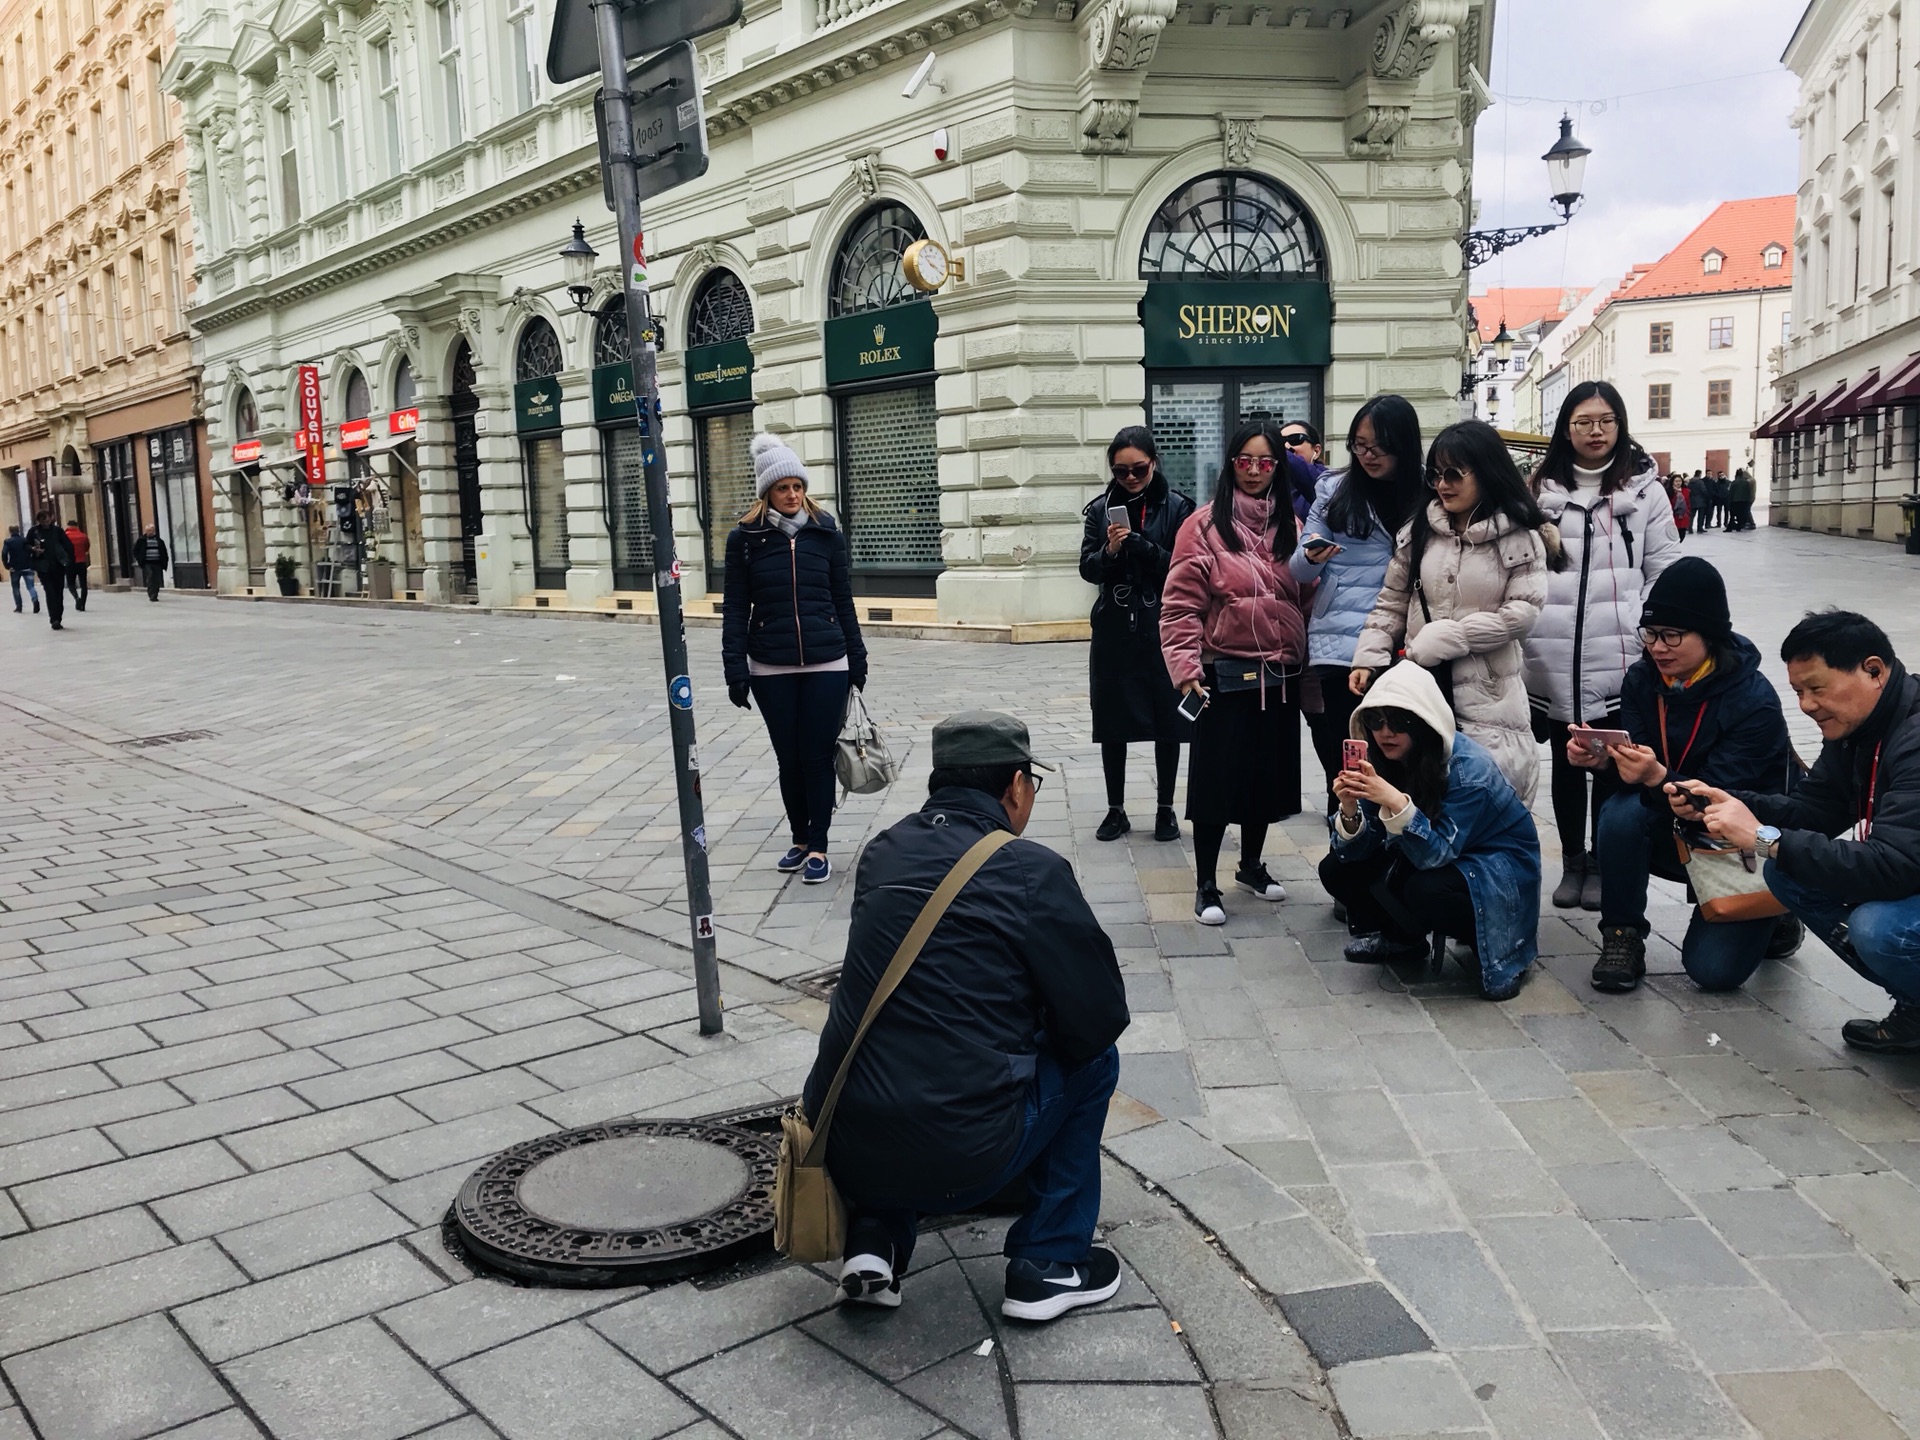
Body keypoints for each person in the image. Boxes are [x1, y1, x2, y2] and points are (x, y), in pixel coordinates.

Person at [804, 711, 1130, 1317]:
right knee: (1094, 1061)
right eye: (1032, 781)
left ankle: (874, 1238)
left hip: (847, 1138)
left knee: (895, 1034)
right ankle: (1049, 1260)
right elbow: (1097, 1015)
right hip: (965, 1154)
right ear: (1014, 786)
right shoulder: (1032, 871)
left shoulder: (884, 851)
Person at [1676, 612, 1920, 1052]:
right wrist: (1727, 800)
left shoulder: (1914, 738)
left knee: (1878, 929)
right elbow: (1816, 808)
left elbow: (1895, 866)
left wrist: (1762, 839)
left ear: (1873, 671)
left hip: (1904, 869)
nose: (1806, 705)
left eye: (1817, 689)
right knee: (1787, 874)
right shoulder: (1860, 726)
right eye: (1798, 692)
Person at [1574, 558, 1801, 993]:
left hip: (1734, 836)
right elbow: (1634, 775)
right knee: (1619, 814)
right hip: (1668, 816)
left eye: (1672, 635)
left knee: (1712, 973)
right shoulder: (1642, 679)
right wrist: (1603, 761)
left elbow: (1725, 799)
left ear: (1710, 636)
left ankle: (1779, 911)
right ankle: (1622, 936)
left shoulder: (1754, 701)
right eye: (1651, 634)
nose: (1658, 647)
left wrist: (1658, 776)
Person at [1524, 381, 1682, 911]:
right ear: (1565, 429)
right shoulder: (1539, 489)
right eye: (1583, 422)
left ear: (1620, 424)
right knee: (1568, 765)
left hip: (1619, 654)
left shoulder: (1644, 492)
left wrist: (1645, 630)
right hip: (1551, 652)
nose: (1595, 431)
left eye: (1606, 420)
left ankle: (1602, 856)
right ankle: (1574, 861)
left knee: (1613, 763)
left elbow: (1663, 569)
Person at [1351, 418, 1555, 805]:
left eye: (1454, 474)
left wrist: (1454, 637)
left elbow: (1524, 611)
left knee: (1487, 799)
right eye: (1436, 475)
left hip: (1489, 693)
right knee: (1420, 797)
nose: (1443, 485)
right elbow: (1393, 599)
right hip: (1421, 686)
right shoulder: (1421, 531)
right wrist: (1369, 657)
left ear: (1486, 472)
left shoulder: (1519, 536)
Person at [1162, 420, 1313, 924]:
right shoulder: (1202, 526)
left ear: (1278, 468)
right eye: (1244, 461)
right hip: (1222, 673)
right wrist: (1185, 670)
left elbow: (1307, 598)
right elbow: (1180, 606)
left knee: (1264, 776)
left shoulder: (1294, 526)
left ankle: (1251, 865)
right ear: (1231, 464)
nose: (1254, 471)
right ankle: (1206, 881)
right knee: (1214, 780)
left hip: (1280, 674)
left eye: (1265, 462)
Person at [1320, 663, 1541, 1000]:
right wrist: (1349, 810)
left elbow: (1435, 854)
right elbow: (1353, 853)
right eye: (1375, 721)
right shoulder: (1382, 759)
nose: (1385, 732)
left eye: (1398, 721)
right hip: (1435, 855)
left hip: (1494, 865)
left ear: (1424, 722)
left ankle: (1501, 951)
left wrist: (1395, 801)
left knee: (1426, 889)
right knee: (1336, 869)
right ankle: (1402, 939)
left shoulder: (1469, 768)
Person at [721, 434, 868, 886]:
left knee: (818, 757)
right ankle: (800, 838)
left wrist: (857, 656)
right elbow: (735, 606)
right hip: (771, 666)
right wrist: (735, 668)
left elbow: (843, 600)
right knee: (789, 759)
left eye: (797, 486)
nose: (791, 495)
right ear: (766, 492)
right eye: (782, 488)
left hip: (827, 662)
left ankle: (820, 846)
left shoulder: (827, 534)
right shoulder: (745, 539)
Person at [1291, 394, 1424, 811]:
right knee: (1347, 761)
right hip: (1341, 644)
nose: (1367, 455)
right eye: (1359, 445)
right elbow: (1299, 569)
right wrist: (1310, 556)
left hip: (1404, 645)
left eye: (1378, 447)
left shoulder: (1429, 492)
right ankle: (1346, 846)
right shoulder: (1333, 490)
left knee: (1400, 763)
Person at [1080, 426, 1196, 843]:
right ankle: (1116, 809)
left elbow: (1184, 566)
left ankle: (1166, 809)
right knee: (1113, 720)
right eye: (1120, 471)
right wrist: (1110, 551)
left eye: (1138, 469)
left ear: (1154, 462)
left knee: (1169, 719)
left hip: (1165, 625)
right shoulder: (1099, 509)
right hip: (1114, 625)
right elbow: (1087, 568)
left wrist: (1140, 545)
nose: (1129, 478)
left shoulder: (1180, 507)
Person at [25, 510, 72, 631]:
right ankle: (54, 619)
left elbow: (67, 545)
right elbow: (25, 545)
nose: (45, 521)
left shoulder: (57, 531)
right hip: (43, 567)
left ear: (51, 518)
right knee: (49, 592)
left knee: (58, 592)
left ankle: (58, 617)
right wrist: (33, 549)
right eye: (42, 519)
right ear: (39, 520)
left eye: (47, 518)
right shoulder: (34, 531)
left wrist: (69, 561)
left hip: (58, 565)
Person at [1278, 420, 1328, 523]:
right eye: (1281, 442)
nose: (1287, 446)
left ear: (1316, 450)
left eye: (1296, 440)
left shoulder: (1326, 480)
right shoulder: (1272, 481)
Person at [3, 525, 38, 614]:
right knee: (30, 586)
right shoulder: (24, 540)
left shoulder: (8, 542)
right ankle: (35, 600)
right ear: (18, 531)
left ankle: (19, 606)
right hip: (27, 566)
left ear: (10, 532)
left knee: (16, 587)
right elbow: (30, 550)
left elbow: (4, 554)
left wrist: (7, 566)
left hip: (15, 568)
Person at [131, 525, 169, 601]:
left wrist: (165, 561)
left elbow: (164, 552)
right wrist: (140, 559)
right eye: (148, 531)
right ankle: (152, 595)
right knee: (151, 576)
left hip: (157, 562)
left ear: (154, 531)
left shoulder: (159, 541)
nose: (150, 532)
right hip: (147, 563)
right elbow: (135, 551)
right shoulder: (141, 540)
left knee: (157, 579)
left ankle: (155, 594)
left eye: (151, 530)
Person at [63, 518, 90, 612]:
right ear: (76, 526)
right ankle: (83, 604)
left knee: (71, 583)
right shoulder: (83, 536)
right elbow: (86, 547)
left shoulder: (65, 536)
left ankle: (76, 598)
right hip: (81, 562)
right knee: (83, 585)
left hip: (70, 562)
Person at [1669, 475, 1691, 541]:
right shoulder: (1669, 491)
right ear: (1672, 482)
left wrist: (1688, 512)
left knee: (1682, 536)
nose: (1678, 483)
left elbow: (1689, 503)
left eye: (1679, 481)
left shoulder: (1686, 491)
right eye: (1676, 481)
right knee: (1673, 536)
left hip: (1683, 516)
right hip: (1673, 516)